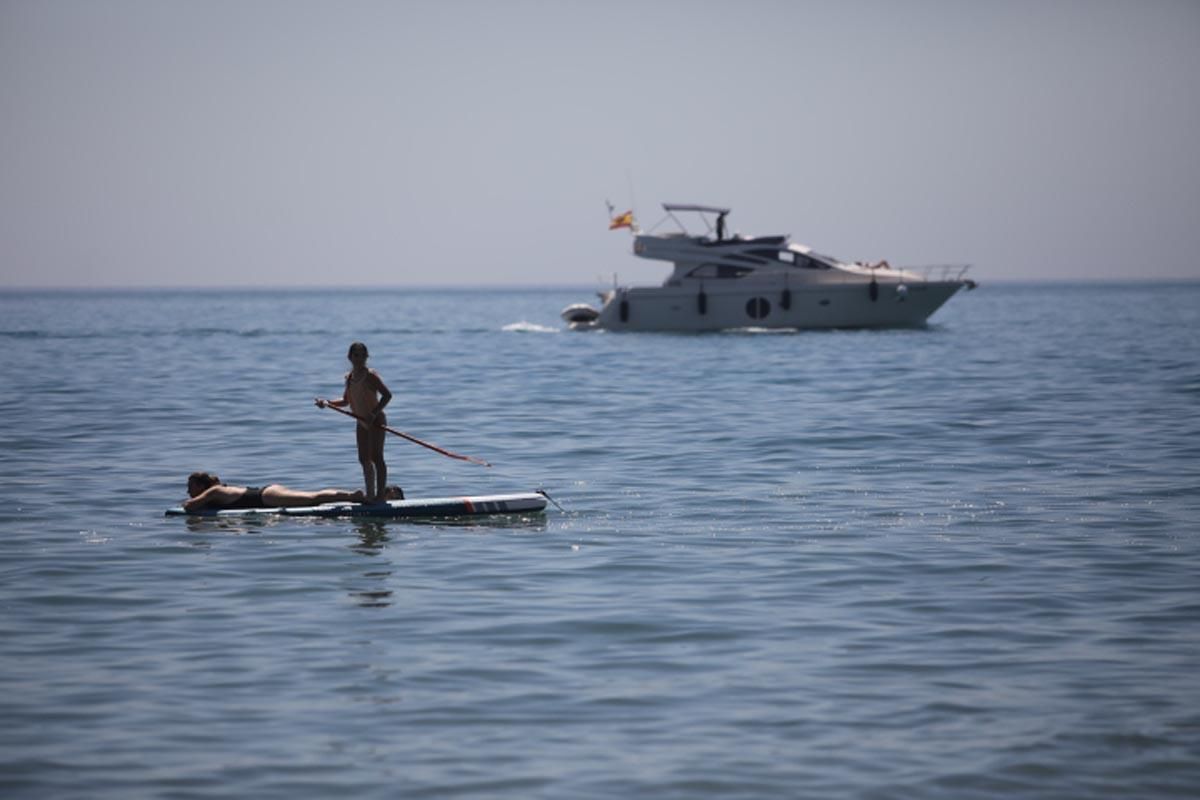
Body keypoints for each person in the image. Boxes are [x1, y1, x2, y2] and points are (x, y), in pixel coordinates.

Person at [314, 341, 393, 502]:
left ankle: (380, 496)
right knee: (363, 458)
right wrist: (327, 403)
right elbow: (345, 401)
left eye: (363, 355)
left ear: (367, 357)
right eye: (356, 355)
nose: (360, 358)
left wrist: (374, 413)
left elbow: (387, 395)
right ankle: (370, 495)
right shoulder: (350, 378)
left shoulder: (370, 376)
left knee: (376, 457)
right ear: (349, 357)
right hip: (362, 422)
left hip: (375, 420)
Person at [183, 472, 368, 511]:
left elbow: (189, 506)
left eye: (190, 486)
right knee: (312, 497)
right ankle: (351, 496)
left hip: (266, 497)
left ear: (200, 486)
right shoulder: (216, 493)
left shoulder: (213, 491)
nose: (187, 490)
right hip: (267, 493)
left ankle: (353, 496)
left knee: (313, 498)